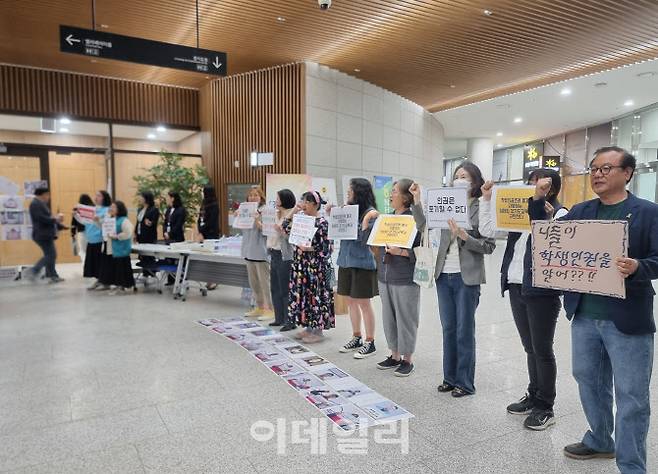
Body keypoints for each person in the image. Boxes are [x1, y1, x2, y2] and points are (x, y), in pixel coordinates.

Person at [529, 146, 658, 473]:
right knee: (588, 379)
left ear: (627, 173)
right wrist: (537, 201)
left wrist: (638, 267)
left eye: (606, 168)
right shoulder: (581, 210)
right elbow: (548, 238)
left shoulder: (647, 212)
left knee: (631, 397)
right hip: (584, 313)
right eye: (594, 168)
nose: (598, 174)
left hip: (627, 318)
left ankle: (631, 466)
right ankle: (601, 439)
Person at [479, 169, 566, 430]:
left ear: (550, 188)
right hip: (517, 285)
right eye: (530, 183)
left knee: (542, 349)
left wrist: (540, 208)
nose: (531, 188)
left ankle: (545, 406)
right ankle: (533, 394)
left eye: (537, 184)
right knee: (530, 348)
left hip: (542, 291)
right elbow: (487, 229)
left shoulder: (560, 214)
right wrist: (486, 200)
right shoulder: (516, 212)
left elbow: (549, 242)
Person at [411, 162, 495, 397]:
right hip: (443, 274)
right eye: (457, 176)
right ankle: (449, 377)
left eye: (465, 176)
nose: (460, 180)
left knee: (464, 330)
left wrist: (465, 236)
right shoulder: (445, 204)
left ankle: (465, 382)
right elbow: (423, 226)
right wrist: (417, 201)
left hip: (466, 277)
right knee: (448, 328)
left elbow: (488, 245)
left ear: (475, 182)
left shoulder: (481, 206)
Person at [366, 179, 421, 377]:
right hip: (385, 275)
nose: (390, 195)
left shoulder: (415, 219)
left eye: (395, 191)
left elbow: (422, 249)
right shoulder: (386, 219)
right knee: (389, 317)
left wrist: (402, 253)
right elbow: (376, 243)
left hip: (405, 276)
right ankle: (394, 354)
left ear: (406, 196)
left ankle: (407, 359)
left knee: (406, 317)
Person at [331, 178, 380, 359]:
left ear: (359, 192)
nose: (348, 193)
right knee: (351, 301)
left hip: (362, 263)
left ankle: (370, 341)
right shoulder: (348, 210)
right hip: (345, 261)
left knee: (364, 303)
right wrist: (335, 215)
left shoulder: (371, 214)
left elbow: (367, 240)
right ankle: (356, 336)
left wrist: (364, 222)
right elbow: (339, 233)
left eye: (350, 190)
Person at [282, 191, 335, 342]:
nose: (303, 204)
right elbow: (284, 227)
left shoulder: (323, 223)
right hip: (301, 266)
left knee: (315, 296)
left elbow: (328, 248)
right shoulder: (301, 220)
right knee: (305, 296)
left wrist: (310, 249)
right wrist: (294, 210)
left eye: (306, 201)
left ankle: (318, 331)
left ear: (315, 204)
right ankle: (309, 327)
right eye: (302, 201)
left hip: (315, 268)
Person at [241, 185, 274, 320]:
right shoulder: (245, 210)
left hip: (261, 252)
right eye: (251, 195)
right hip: (248, 251)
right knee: (254, 283)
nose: (253, 197)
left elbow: (269, 231)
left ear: (261, 197)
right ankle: (260, 307)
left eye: (256, 195)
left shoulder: (265, 211)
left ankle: (271, 309)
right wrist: (240, 216)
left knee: (265, 283)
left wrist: (256, 220)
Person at [268, 189, 296, 328]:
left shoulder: (292, 215)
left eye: (278, 199)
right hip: (273, 252)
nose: (276, 201)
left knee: (285, 288)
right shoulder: (276, 214)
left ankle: (289, 320)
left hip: (285, 254)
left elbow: (292, 237)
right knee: (274, 287)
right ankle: (278, 317)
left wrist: (282, 232)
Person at [28, 187, 64, 283]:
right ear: (43, 194)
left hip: (44, 234)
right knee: (51, 255)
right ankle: (35, 270)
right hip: (42, 234)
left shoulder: (39, 204)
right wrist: (55, 220)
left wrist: (59, 225)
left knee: (50, 255)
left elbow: (48, 218)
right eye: (48, 194)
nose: (49, 197)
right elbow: (41, 218)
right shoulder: (35, 204)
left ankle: (52, 275)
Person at [83, 190, 112, 290]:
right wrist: (76, 216)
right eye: (95, 195)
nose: (96, 197)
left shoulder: (108, 210)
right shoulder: (92, 209)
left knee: (101, 263)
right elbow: (85, 221)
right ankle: (99, 280)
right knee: (94, 263)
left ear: (104, 198)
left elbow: (106, 225)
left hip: (100, 239)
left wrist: (98, 220)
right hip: (91, 239)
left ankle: (105, 282)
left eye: (99, 196)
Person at [105, 200, 135, 295]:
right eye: (111, 207)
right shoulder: (112, 219)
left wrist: (117, 236)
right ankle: (120, 286)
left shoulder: (124, 220)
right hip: (114, 249)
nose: (111, 209)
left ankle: (124, 286)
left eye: (113, 207)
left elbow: (128, 232)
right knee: (117, 269)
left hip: (122, 249)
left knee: (122, 268)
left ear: (119, 209)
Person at [197, 185, 220, 290]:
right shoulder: (203, 205)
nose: (202, 193)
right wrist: (199, 231)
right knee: (206, 258)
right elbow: (199, 219)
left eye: (203, 191)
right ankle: (208, 279)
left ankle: (213, 280)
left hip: (211, 235)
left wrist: (202, 231)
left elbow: (211, 222)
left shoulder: (214, 205)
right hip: (203, 235)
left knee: (212, 259)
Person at [163, 191, 186, 286]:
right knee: (169, 258)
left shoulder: (181, 210)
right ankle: (171, 279)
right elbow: (165, 222)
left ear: (172, 198)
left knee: (178, 258)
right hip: (168, 237)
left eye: (168, 197)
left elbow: (178, 224)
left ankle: (180, 278)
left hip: (177, 237)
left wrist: (170, 233)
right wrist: (165, 232)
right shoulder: (168, 210)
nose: (166, 199)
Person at [135, 191, 160, 277]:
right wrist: (135, 234)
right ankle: (145, 272)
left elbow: (154, 222)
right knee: (142, 255)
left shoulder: (154, 209)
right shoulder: (140, 209)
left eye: (141, 197)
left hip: (149, 236)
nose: (140, 199)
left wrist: (150, 223)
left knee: (149, 255)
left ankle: (152, 273)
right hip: (140, 235)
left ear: (146, 198)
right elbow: (137, 222)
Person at [71, 194, 93, 268]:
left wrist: (72, 233)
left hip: (82, 232)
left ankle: (85, 266)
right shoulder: (93, 208)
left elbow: (73, 223)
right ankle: (92, 266)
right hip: (92, 232)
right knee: (91, 250)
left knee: (83, 251)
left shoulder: (77, 209)